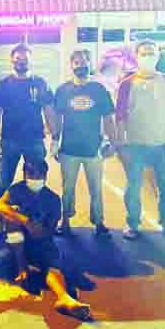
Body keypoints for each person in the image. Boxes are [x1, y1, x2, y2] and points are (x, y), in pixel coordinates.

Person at [0, 159, 91, 322]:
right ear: (24, 174)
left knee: (52, 265)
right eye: (31, 173)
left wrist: (38, 232)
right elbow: (0, 205)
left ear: (45, 175)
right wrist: (26, 221)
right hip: (17, 241)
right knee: (11, 216)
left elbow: (50, 230)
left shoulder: (52, 199)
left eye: (39, 174)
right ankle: (21, 266)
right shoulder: (16, 190)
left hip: (41, 241)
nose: (35, 177)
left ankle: (65, 298)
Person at [116, 40, 165, 240]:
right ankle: (133, 224)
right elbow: (120, 117)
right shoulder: (127, 84)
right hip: (135, 145)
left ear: (158, 56)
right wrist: (122, 146)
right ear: (136, 57)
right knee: (133, 189)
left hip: (164, 145)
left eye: (151, 53)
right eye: (144, 53)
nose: (148, 57)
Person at [0, 44, 58, 234]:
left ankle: (35, 217)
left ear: (30, 60)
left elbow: (49, 111)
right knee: (5, 180)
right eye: (18, 59)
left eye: (25, 59)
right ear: (12, 60)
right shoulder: (3, 85)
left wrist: (55, 137)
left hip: (34, 141)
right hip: (9, 141)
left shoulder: (40, 83)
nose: (21, 62)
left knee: (35, 181)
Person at [54, 50, 117, 237]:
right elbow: (57, 117)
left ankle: (99, 222)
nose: (81, 66)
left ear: (90, 64)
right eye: (77, 62)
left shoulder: (99, 90)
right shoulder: (63, 90)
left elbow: (108, 118)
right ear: (71, 65)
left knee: (96, 189)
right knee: (67, 189)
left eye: (84, 62)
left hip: (94, 149)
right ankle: (65, 221)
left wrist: (113, 142)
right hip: (69, 149)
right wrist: (55, 140)